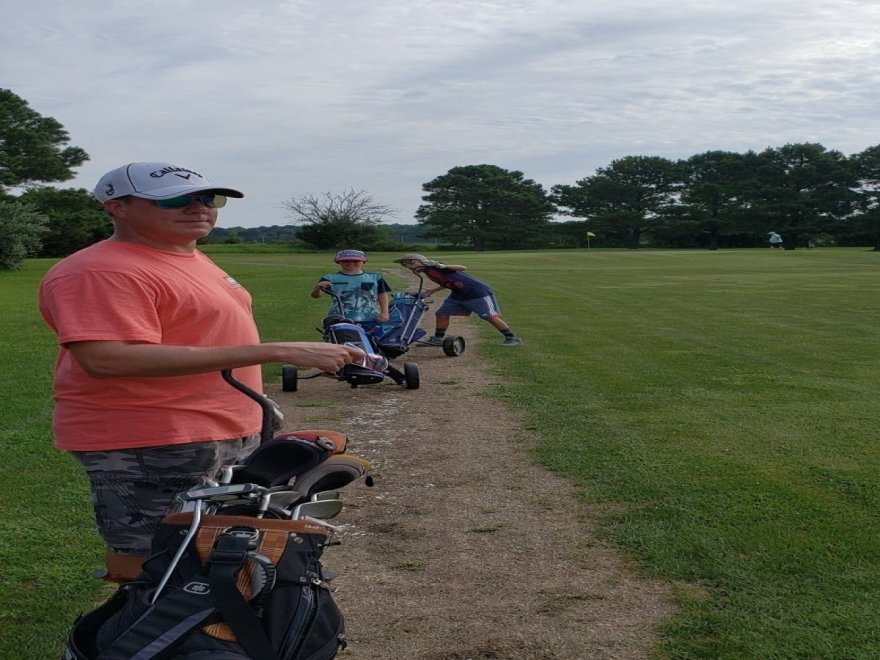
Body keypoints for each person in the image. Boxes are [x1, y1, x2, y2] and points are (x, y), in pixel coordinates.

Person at [38, 161, 363, 582]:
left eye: (209, 198)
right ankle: (139, 622)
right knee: (157, 558)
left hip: (215, 429)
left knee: (217, 551)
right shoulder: (102, 270)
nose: (199, 208)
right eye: (174, 199)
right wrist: (275, 351)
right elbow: (107, 358)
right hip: (153, 438)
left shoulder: (185, 257)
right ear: (117, 207)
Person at [393, 254, 523, 346]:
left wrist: (441, 265)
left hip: (476, 292)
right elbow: (447, 282)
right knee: (441, 313)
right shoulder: (428, 272)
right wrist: (433, 290)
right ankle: (438, 339)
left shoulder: (436, 267)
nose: (409, 266)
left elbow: (462, 268)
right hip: (458, 294)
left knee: (489, 316)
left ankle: (512, 338)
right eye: (406, 265)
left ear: (421, 261)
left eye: (411, 263)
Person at [310, 249, 391, 334]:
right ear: (338, 262)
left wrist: (385, 312)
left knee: (372, 341)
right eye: (345, 261)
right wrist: (318, 288)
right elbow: (316, 295)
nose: (351, 263)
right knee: (342, 341)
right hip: (340, 319)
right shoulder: (330, 278)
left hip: (370, 318)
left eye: (356, 261)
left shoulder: (375, 278)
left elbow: (382, 294)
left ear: (363, 261)